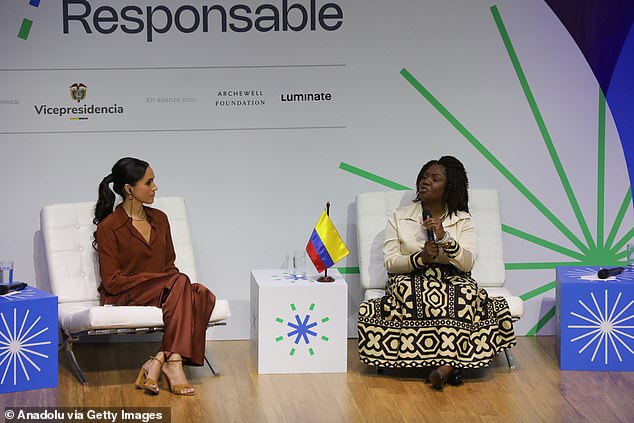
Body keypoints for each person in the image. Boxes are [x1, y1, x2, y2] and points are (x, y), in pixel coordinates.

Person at [357, 156, 516, 390]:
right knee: (415, 292)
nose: (425, 182)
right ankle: (452, 366)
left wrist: (444, 237)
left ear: (449, 186)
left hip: (453, 277)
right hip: (410, 277)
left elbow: (467, 262)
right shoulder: (399, 216)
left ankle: (444, 368)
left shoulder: (462, 219)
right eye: (423, 176)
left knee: (463, 294)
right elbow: (391, 262)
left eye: (434, 178)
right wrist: (420, 258)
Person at [93, 157, 216, 396]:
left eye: (154, 181)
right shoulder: (109, 227)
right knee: (180, 282)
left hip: (162, 290)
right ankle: (174, 365)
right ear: (129, 189)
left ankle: (160, 358)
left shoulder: (160, 219)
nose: (155, 188)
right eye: (148, 183)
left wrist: (163, 282)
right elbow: (111, 281)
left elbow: (169, 266)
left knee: (201, 294)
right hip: (122, 294)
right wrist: (155, 280)